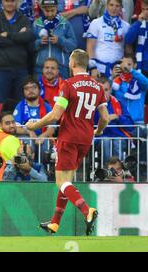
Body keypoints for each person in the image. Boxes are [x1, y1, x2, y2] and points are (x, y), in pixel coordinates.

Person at [26, 49, 110, 235]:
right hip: (86, 138)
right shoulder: (97, 86)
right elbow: (104, 117)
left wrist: (35, 125)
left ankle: (87, 210)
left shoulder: (69, 85)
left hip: (69, 136)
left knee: (61, 182)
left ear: (72, 64)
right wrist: (98, 130)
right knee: (67, 181)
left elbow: (56, 115)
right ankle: (55, 223)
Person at [0, 0, 34, 103]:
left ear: (17, 2)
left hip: (21, 69)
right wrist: (18, 36)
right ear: (2, 2)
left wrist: (8, 35)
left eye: (12, 1)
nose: (10, 3)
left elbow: (27, 37)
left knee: (22, 104)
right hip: (0, 69)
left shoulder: (23, 19)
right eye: (7, 1)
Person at [33, 0, 77, 79]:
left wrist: (60, 41)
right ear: (42, 9)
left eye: (52, 10)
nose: (50, 14)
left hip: (61, 68)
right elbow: (29, 46)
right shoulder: (36, 24)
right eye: (47, 11)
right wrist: (39, 42)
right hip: (41, 68)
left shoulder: (65, 23)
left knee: (61, 91)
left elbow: (73, 45)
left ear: (57, 8)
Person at [86, 0, 130, 78]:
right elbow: (90, 47)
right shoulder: (96, 23)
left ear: (121, 7)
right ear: (106, 6)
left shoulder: (126, 26)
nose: (114, 8)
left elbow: (128, 50)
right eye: (111, 5)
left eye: (117, 6)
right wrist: (92, 67)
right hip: (99, 68)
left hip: (118, 69)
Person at [94, 76, 133, 162]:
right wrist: (103, 118)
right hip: (99, 138)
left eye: (106, 90)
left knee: (117, 141)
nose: (103, 93)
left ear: (111, 90)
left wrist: (117, 117)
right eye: (100, 90)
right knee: (106, 141)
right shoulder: (90, 105)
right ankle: (107, 172)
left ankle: (118, 171)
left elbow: (130, 126)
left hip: (119, 137)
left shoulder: (119, 103)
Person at [13, 78, 55, 146]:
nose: (30, 90)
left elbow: (52, 128)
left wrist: (42, 136)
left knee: (45, 144)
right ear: (23, 92)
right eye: (27, 88)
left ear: (39, 90)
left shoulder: (46, 106)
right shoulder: (20, 106)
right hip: (26, 136)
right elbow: (16, 128)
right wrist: (29, 132)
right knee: (28, 143)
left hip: (43, 136)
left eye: (33, 87)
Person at [112, 54, 148, 126]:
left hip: (137, 123)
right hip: (121, 123)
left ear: (135, 65)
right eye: (123, 64)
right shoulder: (117, 82)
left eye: (129, 64)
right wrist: (112, 78)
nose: (126, 67)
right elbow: (108, 95)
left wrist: (131, 71)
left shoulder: (140, 82)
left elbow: (146, 83)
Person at [125, 0, 148, 77]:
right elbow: (128, 40)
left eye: (147, 9)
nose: (145, 12)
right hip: (142, 67)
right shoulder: (138, 23)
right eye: (143, 9)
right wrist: (138, 23)